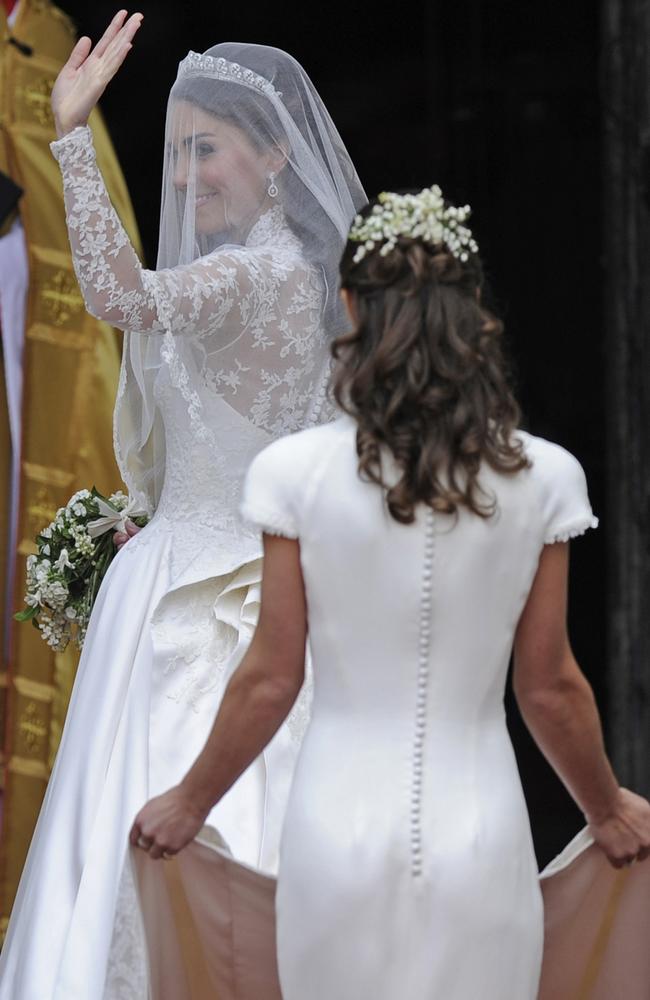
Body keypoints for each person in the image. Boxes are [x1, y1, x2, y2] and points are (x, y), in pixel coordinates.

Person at [131, 186, 650, 999]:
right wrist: (607, 809)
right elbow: (548, 687)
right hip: (482, 835)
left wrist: (190, 804)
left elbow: (272, 675)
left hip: (332, 833)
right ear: (474, 313)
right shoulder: (545, 476)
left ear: (348, 308)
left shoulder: (292, 474)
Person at [0, 10, 365, 999]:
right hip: (214, 569)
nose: (182, 174)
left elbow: (119, 294)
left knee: (178, 827)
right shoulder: (306, 288)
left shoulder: (256, 271)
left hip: (196, 599)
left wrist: (69, 135)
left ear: (276, 156)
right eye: (172, 153)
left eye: (205, 149)